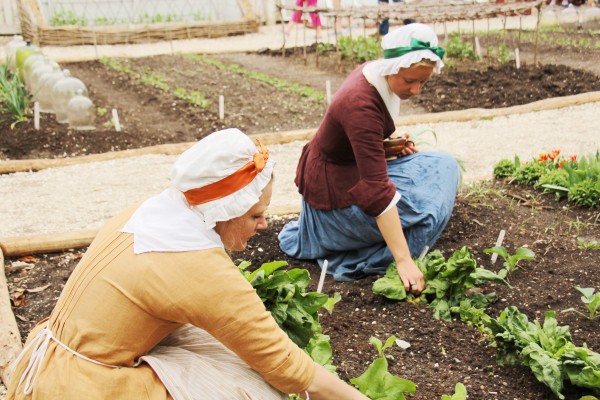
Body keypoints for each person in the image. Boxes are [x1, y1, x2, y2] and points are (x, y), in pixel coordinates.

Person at [6, 128, 368, 400]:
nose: (264, 225)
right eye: (257, 214)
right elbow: (287, 365)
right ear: (225, 209)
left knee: (223, 344)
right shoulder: (199, 267)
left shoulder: (152, 211)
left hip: (44, 361)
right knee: (252, 388)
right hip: (82, 388)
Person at [278, 23, 460, 294]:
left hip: (346, 170)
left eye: (423, 81)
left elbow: (359, 140)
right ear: (392, 67)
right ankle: (375, 253)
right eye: (409, 81)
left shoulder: (375, 73)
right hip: (332, 196)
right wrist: (404, 260)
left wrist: (388, 145)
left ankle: (377, 238)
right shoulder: (360, 104)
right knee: (427, 213)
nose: (416, 90)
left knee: (443, 164)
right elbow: (376, 191)